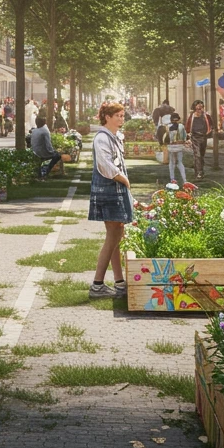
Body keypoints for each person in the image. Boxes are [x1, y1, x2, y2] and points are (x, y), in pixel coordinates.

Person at [88, 101, 132, 300]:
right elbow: (105, 165)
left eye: (122, 115)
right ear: (107, 117)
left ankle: (119, 282)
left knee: (116, 234)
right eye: (118, 116)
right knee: (114, 235)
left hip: (114, 189)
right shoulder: (102, 138)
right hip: (109, 190)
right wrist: (123, 179)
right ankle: (97, 284)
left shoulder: (115, 137)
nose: (121, 119)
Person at [185, 100, 213, 180]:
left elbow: (211, 125)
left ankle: (200, 170)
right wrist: (188, 136)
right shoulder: (191, 116)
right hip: (195, 137)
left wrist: (209, 131)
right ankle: (199, 173)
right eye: (198, 107)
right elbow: (187, 126)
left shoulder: (206, 116)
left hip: (203, 137)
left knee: (202, 155)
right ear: (194, 108)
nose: (200, 109)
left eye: (201, 107)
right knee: (197, 155)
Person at [167, 113, 188, 186]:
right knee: (180, 162)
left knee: (172, 163)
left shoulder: (168, 127)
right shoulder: (181, 126)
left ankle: (172, 179)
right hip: (179, 146)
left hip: (171, 147)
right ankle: (184, 179)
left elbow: (166, 139)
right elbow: (185, 138)